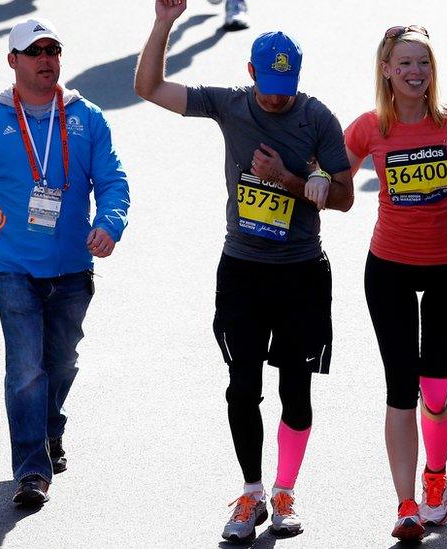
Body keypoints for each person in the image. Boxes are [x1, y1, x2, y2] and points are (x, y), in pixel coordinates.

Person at [135, 0, 353, 541]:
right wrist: (164, 23)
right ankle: (251, 491)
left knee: (296, 391)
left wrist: (290, 179)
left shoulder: (316, 118)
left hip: (301, 271)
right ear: (252, 72)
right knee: (241, 388)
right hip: (243, 270)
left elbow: (346, 196)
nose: (279, 93)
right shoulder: (229, 106)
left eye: (289, 83)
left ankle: (285, 492)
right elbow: (148, 88)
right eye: (271, 81)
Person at [0, 17, 130, 507]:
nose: (47, 59)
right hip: (12, 266)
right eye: (35, 51)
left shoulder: (87, 117)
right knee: (25, 368)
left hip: (72, 266)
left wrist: (109, 223)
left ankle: (48, 427)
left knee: (61, 362)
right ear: (13, 61)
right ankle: (31, 469)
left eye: (53, 50)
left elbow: (113, 181)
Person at [343, 25, 447, 542]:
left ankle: (435, 476)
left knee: (436, 387)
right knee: (400, 389)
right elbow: (333, 169)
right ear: (386, 69)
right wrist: (314, 176)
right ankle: (405, 503)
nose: (414, 73)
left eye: (422, 63)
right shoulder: (368, 127)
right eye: (403, 63)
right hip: (390, 269)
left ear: (433, 70)